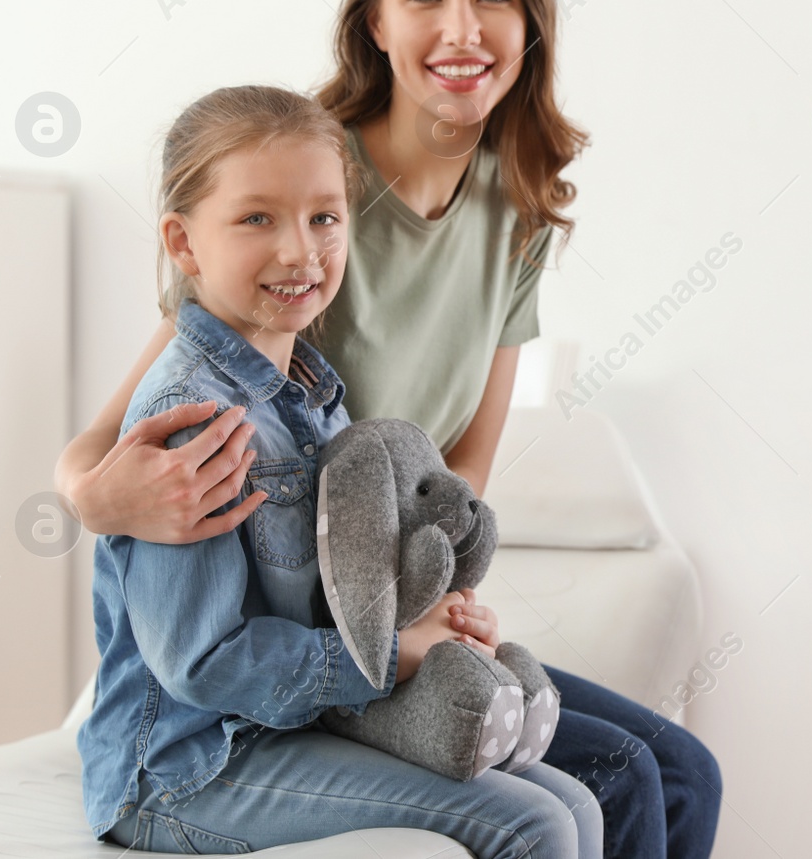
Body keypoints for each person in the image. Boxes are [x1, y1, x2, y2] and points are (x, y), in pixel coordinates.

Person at [57, 0, 721, 859]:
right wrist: (97, 497)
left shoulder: (518, 208)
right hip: (273, 645)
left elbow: (458, 470)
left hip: (377, 614)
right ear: (375, 18)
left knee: (678, 768)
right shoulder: (304, 180)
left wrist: (434, 598)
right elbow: (122, 431)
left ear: (530, 23)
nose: (463, 26)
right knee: (607, 780)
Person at [77, 84, 602, 856]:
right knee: (535, 825)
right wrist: (393, 658)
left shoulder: (315, 396)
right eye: (258, 217)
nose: (301, 249)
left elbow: (346, 591)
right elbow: (204, 662)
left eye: (324, 217)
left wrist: (439, 628)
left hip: (293, 725)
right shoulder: (192, 418)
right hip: (188, 764)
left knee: (576, 804)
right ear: (185, 244)